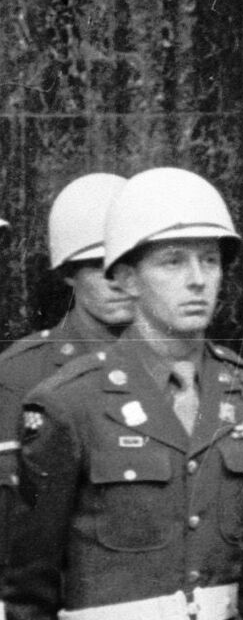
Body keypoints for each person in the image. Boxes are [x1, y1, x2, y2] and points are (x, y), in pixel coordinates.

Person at [4, 168, 243, 620]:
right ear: (127, 279)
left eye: (210, 261)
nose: (197, 280)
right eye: (173, 262)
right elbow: (30, 588)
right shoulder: (69, 404)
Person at [0, 175, 134, 570]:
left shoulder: (180, 367)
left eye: (129, 263)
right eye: (100, 266)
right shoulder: (21, 373)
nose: (118, 282)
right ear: (68, 272)